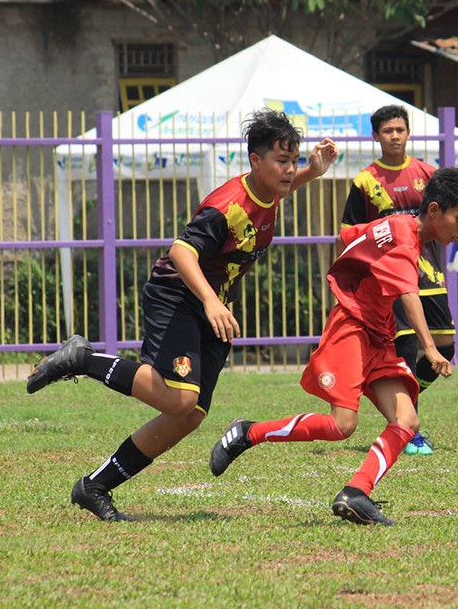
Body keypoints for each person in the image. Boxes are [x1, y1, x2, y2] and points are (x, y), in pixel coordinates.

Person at [25, 109, 338, 522]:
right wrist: (211, 301)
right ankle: (82, 359)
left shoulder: (269, 190)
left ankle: (95, 486)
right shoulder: (227, 206)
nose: (289, 170)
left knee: (187, 415)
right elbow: (181, 251)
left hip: (210, 306)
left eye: (293, 160)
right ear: (255, 161)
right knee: (181, 397)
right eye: (282, 161)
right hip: (178, 295)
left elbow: (278, 191)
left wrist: (312, 172)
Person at [210, 167, 458, 525]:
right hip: (352, 328)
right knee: (342, 425)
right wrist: (431, 350)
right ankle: (249, 432)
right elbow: (408, 293)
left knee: (407, 420)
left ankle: (356, 493)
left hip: (379, 335)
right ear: (434, 210)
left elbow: (351, 236)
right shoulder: (405, 240)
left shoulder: (399, 224)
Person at [339, 104, 458, 456]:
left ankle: (401, 402)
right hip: (391, 273)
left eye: (400, 130)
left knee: (446, 346)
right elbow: (346, 234)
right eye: (387, 131)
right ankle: (409, 429)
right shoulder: (365, 182)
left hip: (429, 271)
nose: (395, 136)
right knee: (406, 346)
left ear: (409, 133)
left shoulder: (428, 175)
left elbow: (456, 224)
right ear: (376, 136)